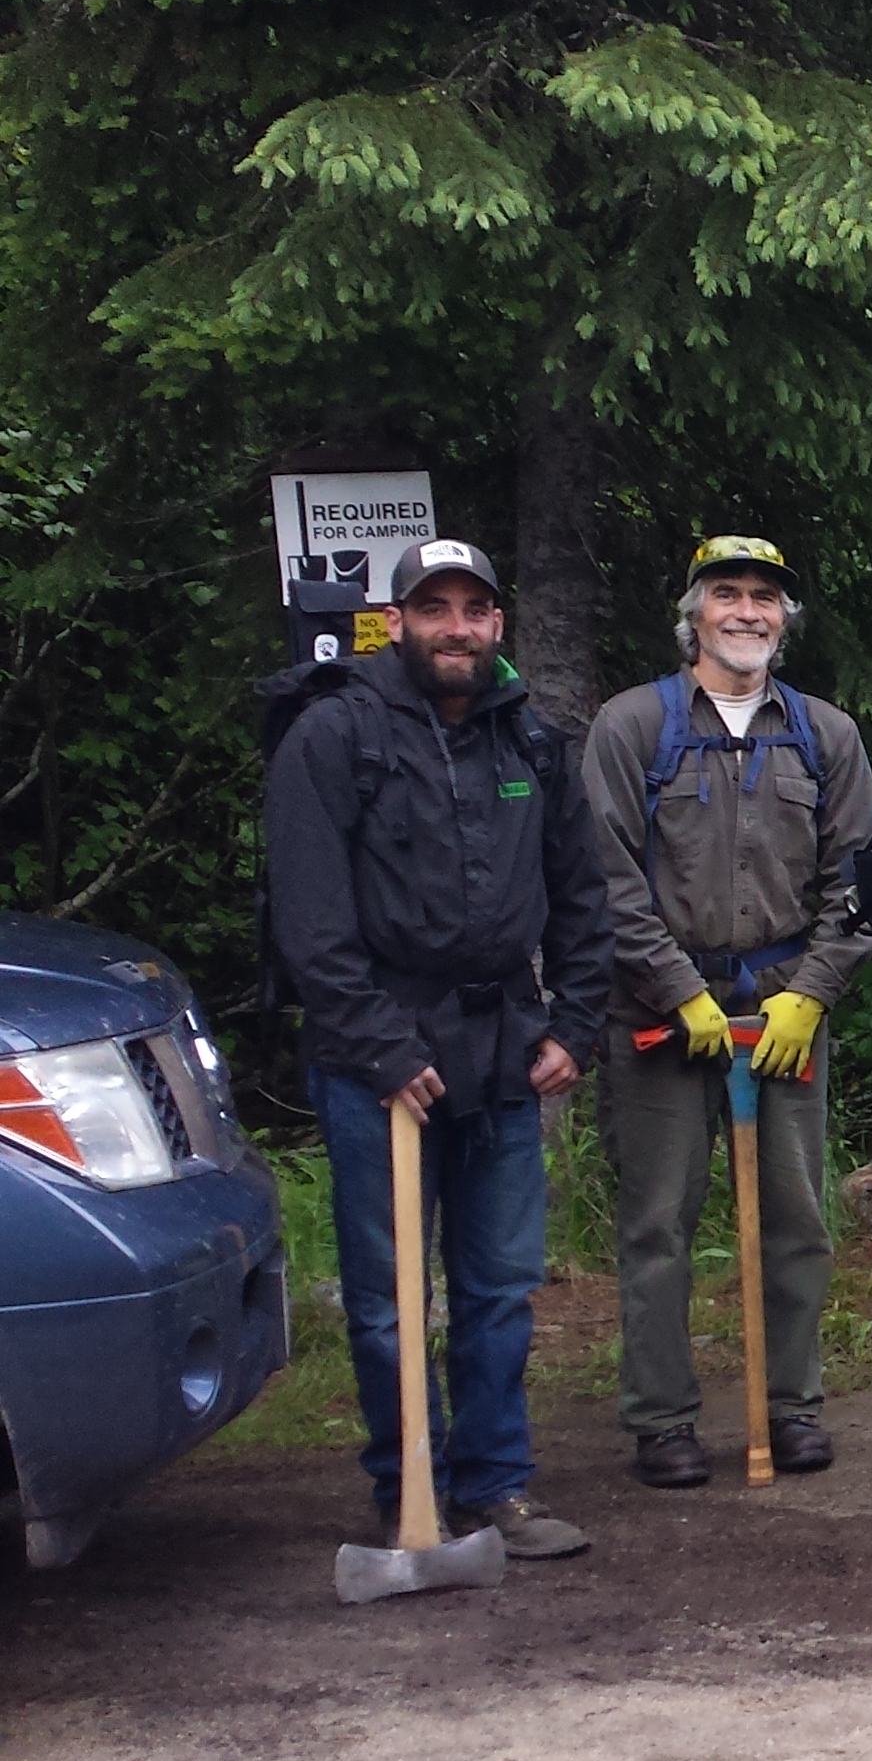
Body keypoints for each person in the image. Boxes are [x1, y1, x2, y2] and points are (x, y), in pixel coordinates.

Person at [263, 537, 608, 1557]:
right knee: (387, 1297)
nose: (456, 628)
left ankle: (497, 1486)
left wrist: (575, 1026)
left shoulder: (533, 744)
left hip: (505, 1048)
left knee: (499, 1286)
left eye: (474, 610)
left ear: (498, 624)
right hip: (379, 1061)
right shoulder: (334, 735)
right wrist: (378, 1048)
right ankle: (405, 1486)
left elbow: (582, 899)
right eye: (434, 608)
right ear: (398, 620)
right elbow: (310, 918)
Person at [583, 534, 872, 1489]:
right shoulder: (633, 727)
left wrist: (812, 993)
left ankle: (790, 1405)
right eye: (728, 594)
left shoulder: (824, 734)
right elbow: (608, 875)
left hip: (784, 1012)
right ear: (694, 612)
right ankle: (662, 1419)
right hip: (664, 1021)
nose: (748, 611)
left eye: (765, 598)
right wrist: (676, 988)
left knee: (796, 1220)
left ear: (785, 619)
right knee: (658, 1221)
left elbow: (857, 883)